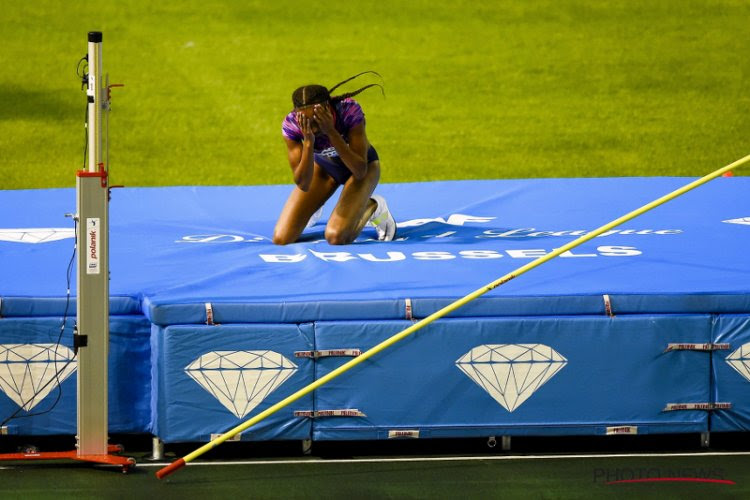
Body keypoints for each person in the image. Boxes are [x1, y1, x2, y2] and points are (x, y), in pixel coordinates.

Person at [273, 72, 396, 245]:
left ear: (327, 107)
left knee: (336, 237)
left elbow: (359, 170)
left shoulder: (348, 111)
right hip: (324, 170)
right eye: (307, 121)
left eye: (316, 120)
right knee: (281, 238)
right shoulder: (292, 125)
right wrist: (308, 142)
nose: (313, 127)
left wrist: (331, 131)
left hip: (362, 168)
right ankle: (317, 203)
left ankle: (372, 206)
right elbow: (304, 184)